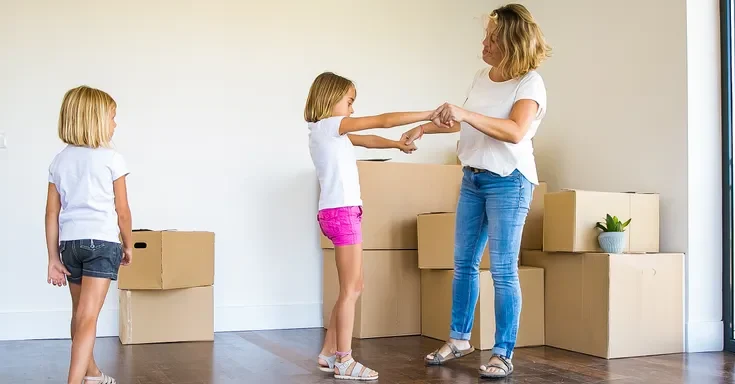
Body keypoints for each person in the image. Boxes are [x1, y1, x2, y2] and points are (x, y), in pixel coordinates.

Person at [401, 4, 551, 379]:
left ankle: (503, 352)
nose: (483, 43)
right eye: (486, 35)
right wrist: (424, 128)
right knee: (463, 264)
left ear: (512, 44)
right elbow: (464, 125)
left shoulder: (529, 83)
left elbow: (515, 130)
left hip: (509, 181)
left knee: (502, 270)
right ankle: (459, 339)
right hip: (473, 179)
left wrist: (465, 114)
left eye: (492, 38)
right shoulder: (482, 76)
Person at [305, 71, 444, 381]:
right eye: (350, 102)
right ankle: (345, 360)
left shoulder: (325, 131)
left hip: (340, 213)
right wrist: (428, 114)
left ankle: (329, 353)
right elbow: (381, 120)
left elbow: (367, 139)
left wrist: (396, 145)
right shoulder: (331, 125)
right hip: (342, 214)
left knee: (351, 288)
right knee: (352, 289)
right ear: (331, 99)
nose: (353, 110)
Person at [45, 85, 133, 384]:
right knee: (89, 317)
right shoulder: (111, 158)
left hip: (70, 244)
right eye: (112, 117)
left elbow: (51, 214)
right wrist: (129, 244)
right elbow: (122, 210)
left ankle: (92, 373)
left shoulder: (60, 160)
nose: (115, 124)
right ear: (96, 120)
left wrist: (53, 258)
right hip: (102, 242)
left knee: (80, 315)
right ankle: (74, 381)